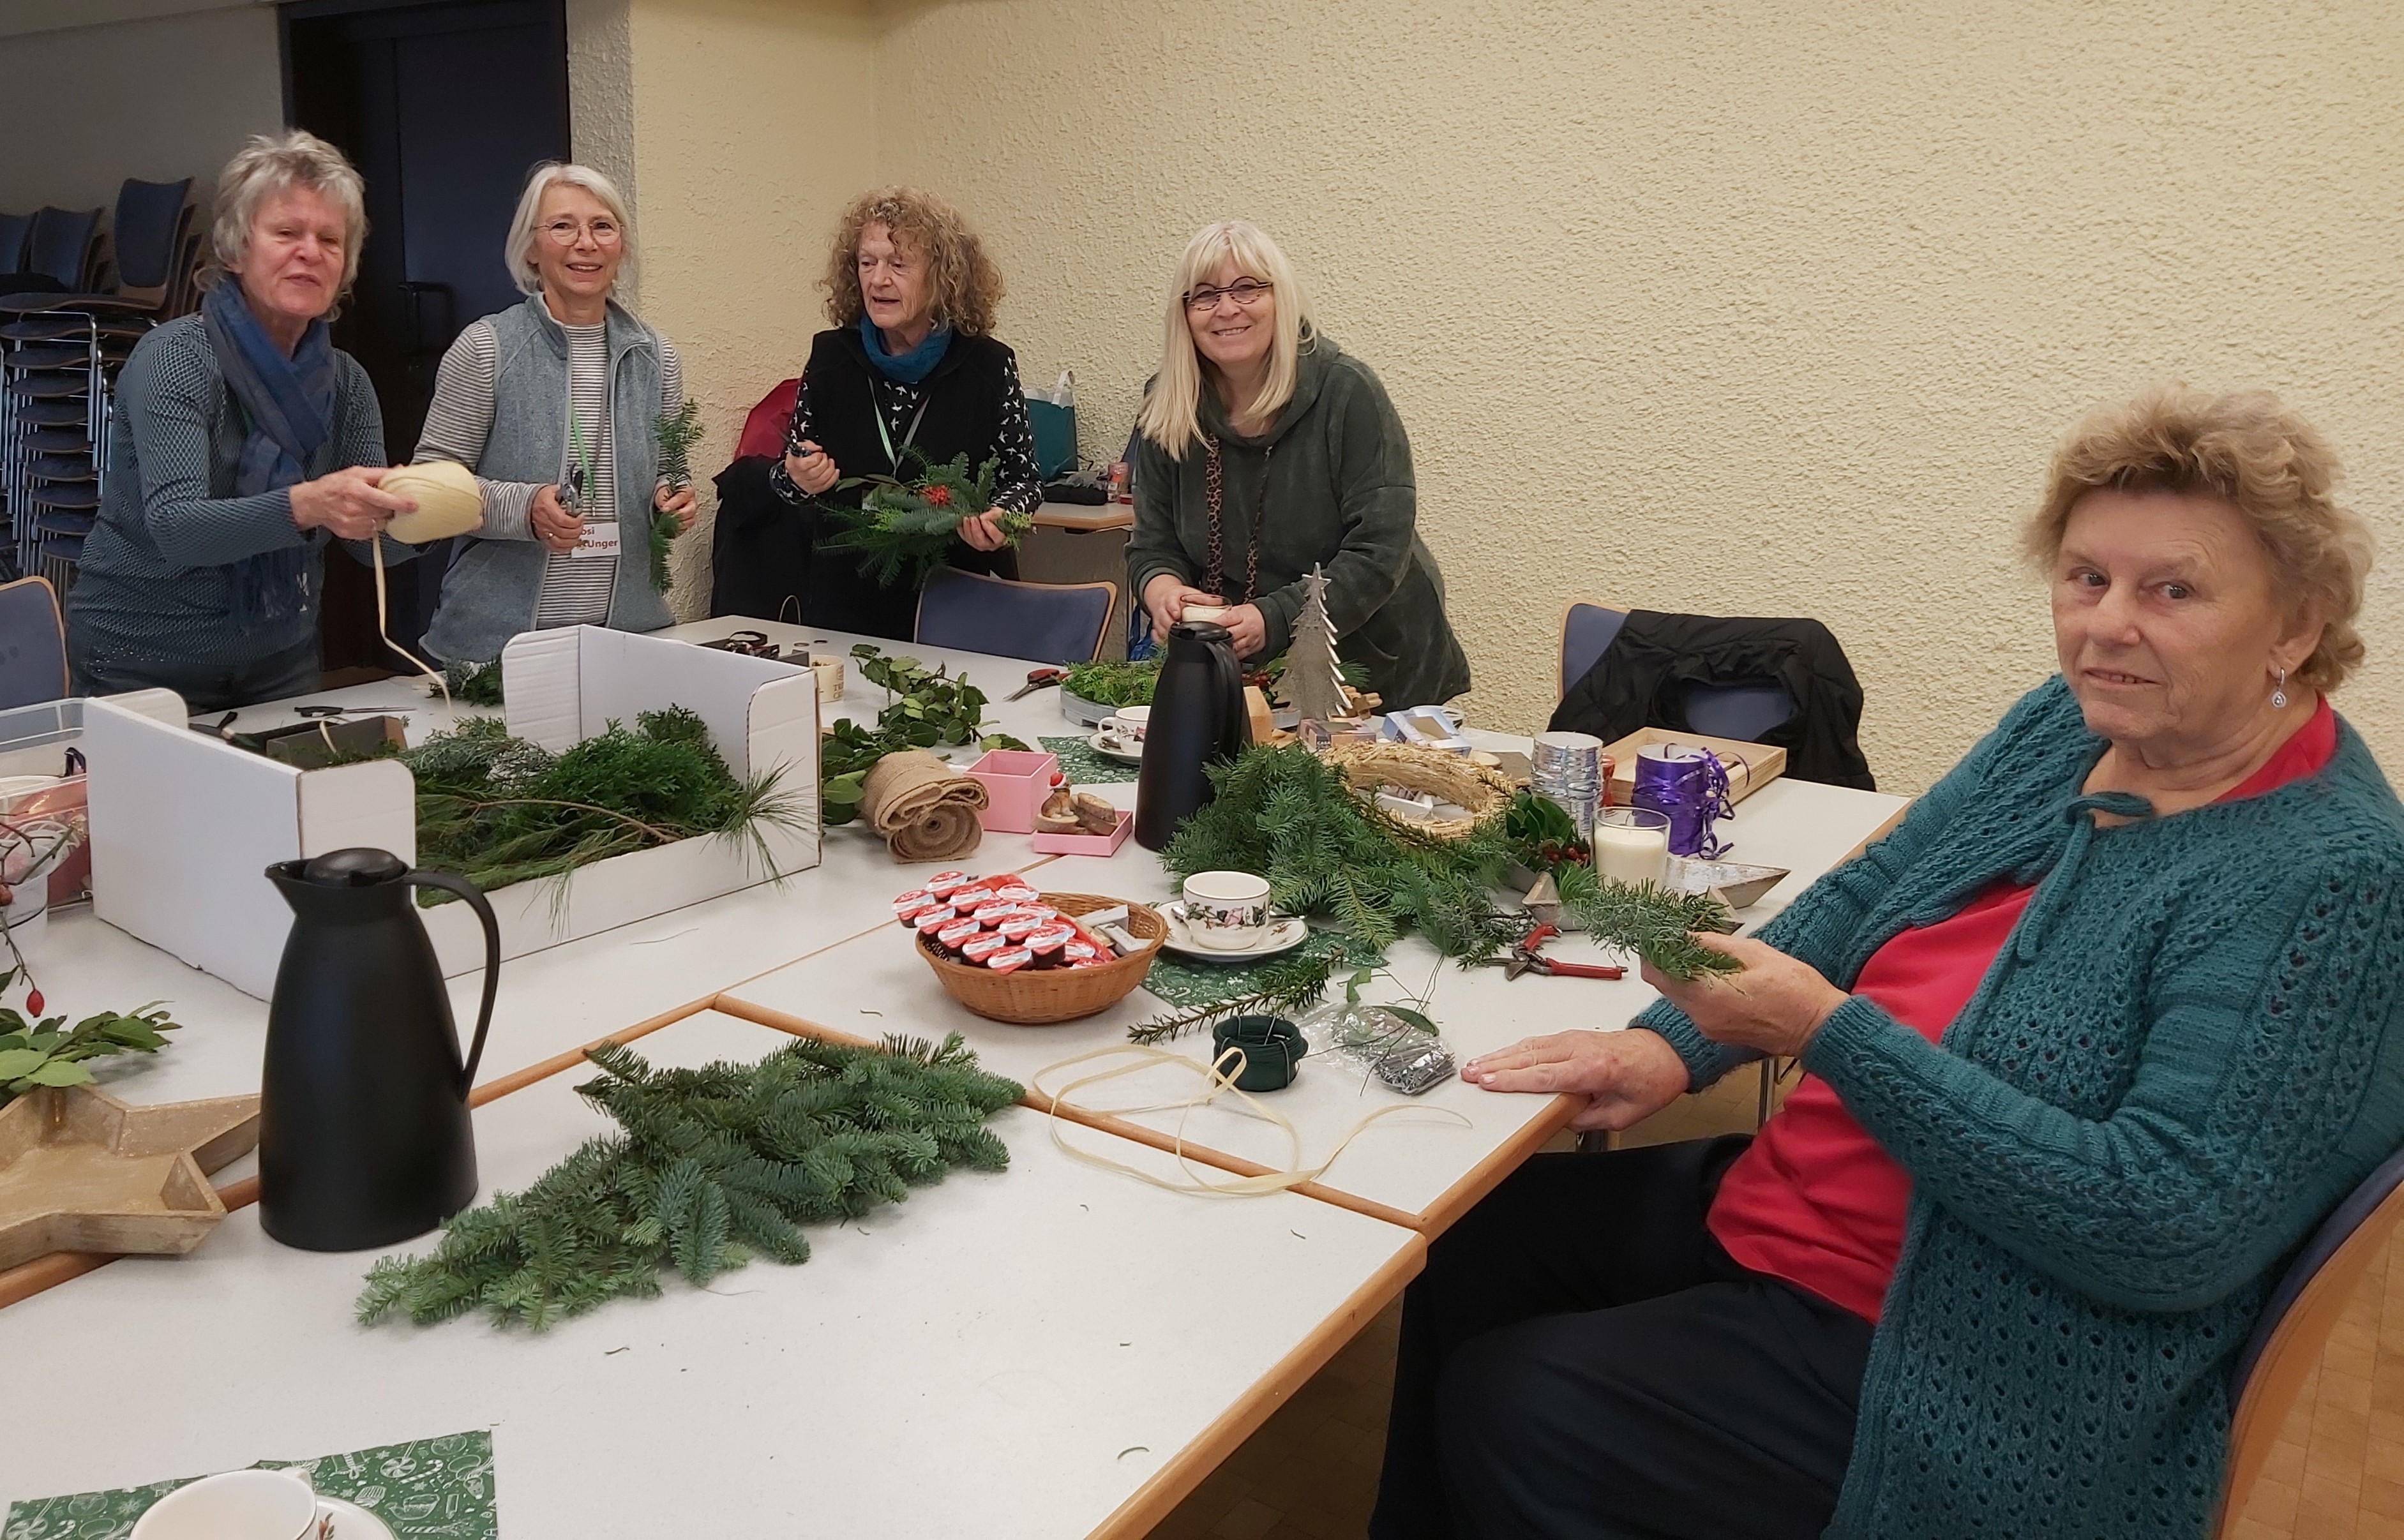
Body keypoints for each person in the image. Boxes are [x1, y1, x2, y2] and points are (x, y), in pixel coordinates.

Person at [1376, 386, 2404, 1540]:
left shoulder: (2328, 874)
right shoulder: (2066, 727)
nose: (2107, 624)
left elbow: (2166, 1226)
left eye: (2172, 588)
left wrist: (1827, 1034)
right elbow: (1872, 890)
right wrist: (1670, 1045)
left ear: (2295, 626)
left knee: (1519, 1405)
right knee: (1461, 1246)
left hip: (1981, 1341)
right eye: (2085, 577)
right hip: (1823, 1206)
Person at [68, 131, 416, 710]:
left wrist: (434, 510)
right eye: (286, 233)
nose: (311, 251)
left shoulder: (348, 380)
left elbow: (368, 546)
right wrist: (313, 503)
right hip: (142, 663)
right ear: (234, 249)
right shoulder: (177, 358)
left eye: (330, 239)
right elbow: (178, 529)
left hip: (281, 657)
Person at [1127, 220, 1468, 709]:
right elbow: (1152, 542)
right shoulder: (1168, 404)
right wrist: (1162, 591)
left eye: (1247, 288)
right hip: (1245, 671)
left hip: (1372, 668)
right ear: (1184, 313)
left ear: (1280, 297)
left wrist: (1275, 617)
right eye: (1204, 295)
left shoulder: (1347, 393)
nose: (1227, 308)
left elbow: (1380, 551)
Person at [417, 163, 693, 663]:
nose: (585, 243)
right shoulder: (486, 348)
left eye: (602, 226)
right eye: (563, 226)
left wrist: (671, 499)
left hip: (628, 638)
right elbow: (431, 487)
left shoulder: (658, 356)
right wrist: (524, 508)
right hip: (496, 648)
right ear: (530, 247)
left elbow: (669, 469)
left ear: (621, 246)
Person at [766, 186, 1042, 639]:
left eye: (899, 264)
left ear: (943, 276)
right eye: (867, 262)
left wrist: (1001, 517)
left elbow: (1025, 479)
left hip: (959, 599)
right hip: (846, 604)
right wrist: (797, 476)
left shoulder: (988, 366)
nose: (878, 280)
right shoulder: (831, 357)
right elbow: (786, 480)